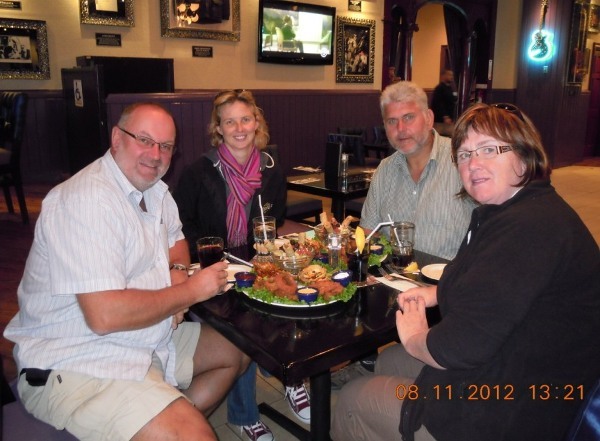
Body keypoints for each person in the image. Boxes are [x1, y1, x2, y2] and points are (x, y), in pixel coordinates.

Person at [331, 102, 600, 440]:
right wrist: (436, 292)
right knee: (388, 362)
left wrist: (415, 338)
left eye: (489, 149)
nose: (474, 163)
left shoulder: (531, 228)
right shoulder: (507, 210)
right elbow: (482, 281)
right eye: (464, 154)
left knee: (354, 399)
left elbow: (459, 347)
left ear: (524, 154)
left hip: (521, 403)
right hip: (510, 357)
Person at [3, 102, 250, 440]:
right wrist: (190, 292)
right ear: (117, 138)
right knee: (194, 435)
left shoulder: (156, 191)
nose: (155, 154)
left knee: (237, 350)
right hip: (77, 359)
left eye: (166, 146)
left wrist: (178, 271)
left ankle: (157, 420)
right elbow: (104, 316)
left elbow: (176, 239)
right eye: (144, 140)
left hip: (146, 338)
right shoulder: (87, 200)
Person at [173, 89, 310, 441]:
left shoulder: (270, 170)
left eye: (245, 119)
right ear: (218, 128)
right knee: (242, 326)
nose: (239, 128)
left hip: (253, 264)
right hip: (209, 272)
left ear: (256, 123)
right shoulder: (198, 172)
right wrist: (203, 262)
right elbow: (179, 226)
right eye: (229, 121)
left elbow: (275, 220)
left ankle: (290, 377)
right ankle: (245, 414)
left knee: (288, 301)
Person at [360, 81, 476, 261]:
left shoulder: (462, 160)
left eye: (408, 117)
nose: (400, 129)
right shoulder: (385, 170)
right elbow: (368, 232)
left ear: (429, 118)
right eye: (392, 121)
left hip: (452, 276)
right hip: (393, 274)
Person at [430, 69, 457, 137]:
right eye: (449, 75)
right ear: (444, 76)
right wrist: (445, 116)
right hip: (440, 120)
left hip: (449, 118)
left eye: (452, 75)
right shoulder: (439, 88)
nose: (451, 77)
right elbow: (438, 104)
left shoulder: (450, 88)